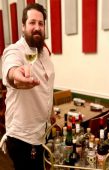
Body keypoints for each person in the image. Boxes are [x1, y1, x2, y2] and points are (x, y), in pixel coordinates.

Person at [0, 3, 55, 170]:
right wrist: (15, 76)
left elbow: (47, 86)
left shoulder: (44, 52)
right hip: (22, 139)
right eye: (32, 23)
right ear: (23, 27)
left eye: (40, 23)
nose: (37, 27)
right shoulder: (14, 50)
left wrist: (50, 112)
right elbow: (11, 71)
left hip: (42, 133)